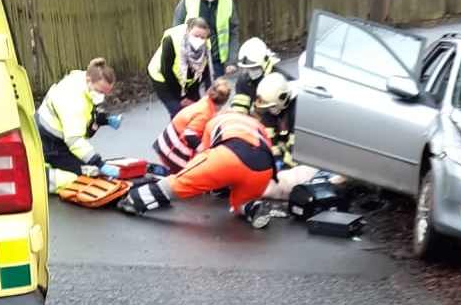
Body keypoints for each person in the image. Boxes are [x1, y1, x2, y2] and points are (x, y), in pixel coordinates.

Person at [119, 90, 287, 228]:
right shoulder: (256, 125)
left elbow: (205, 155)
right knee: (240, 203)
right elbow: (268, 147)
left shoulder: (215, 121)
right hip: (263, 168)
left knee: (180, 182)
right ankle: (252, 207)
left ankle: (133, 199)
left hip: (229, 156)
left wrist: (215, 181)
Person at [35, 57, 123, 192]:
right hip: (50, 142)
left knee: (88, 168)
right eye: (100, 92)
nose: (102, 97)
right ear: (89, 80)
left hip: (52, 133)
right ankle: (43, 178)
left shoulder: (83, 79)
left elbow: (85, 115)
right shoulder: (73, 101)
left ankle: (49, 164)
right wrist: (99, 163)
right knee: (81, 176)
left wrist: (103, 120)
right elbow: (74, 139)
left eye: (106, 93)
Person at [152, 77, 232, 174]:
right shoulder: (205, 113)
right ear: (224, 101)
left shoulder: (205, 101)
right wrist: (206, 153)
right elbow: (190, 135)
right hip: (173, 151)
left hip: (166, 143)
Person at [172, 0, 239, 78]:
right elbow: (177, 27)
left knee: (216, 93)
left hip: (217, 61)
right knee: (193, 93)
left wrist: (231, 61)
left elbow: (234, 32)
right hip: (192, 58)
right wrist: (180, 57)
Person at [148, 17, 212, 118]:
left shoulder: (206, 45)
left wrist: (197, 93)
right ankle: (175, 132)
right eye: (195, 36)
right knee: (178, 112)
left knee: (197, 112)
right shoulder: (171, 41)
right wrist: (181, 98)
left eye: (202, 37)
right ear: (188, 31)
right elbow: (166, 71)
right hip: (162, 78)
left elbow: (203, 70)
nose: (199, 40)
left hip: (187, 81)